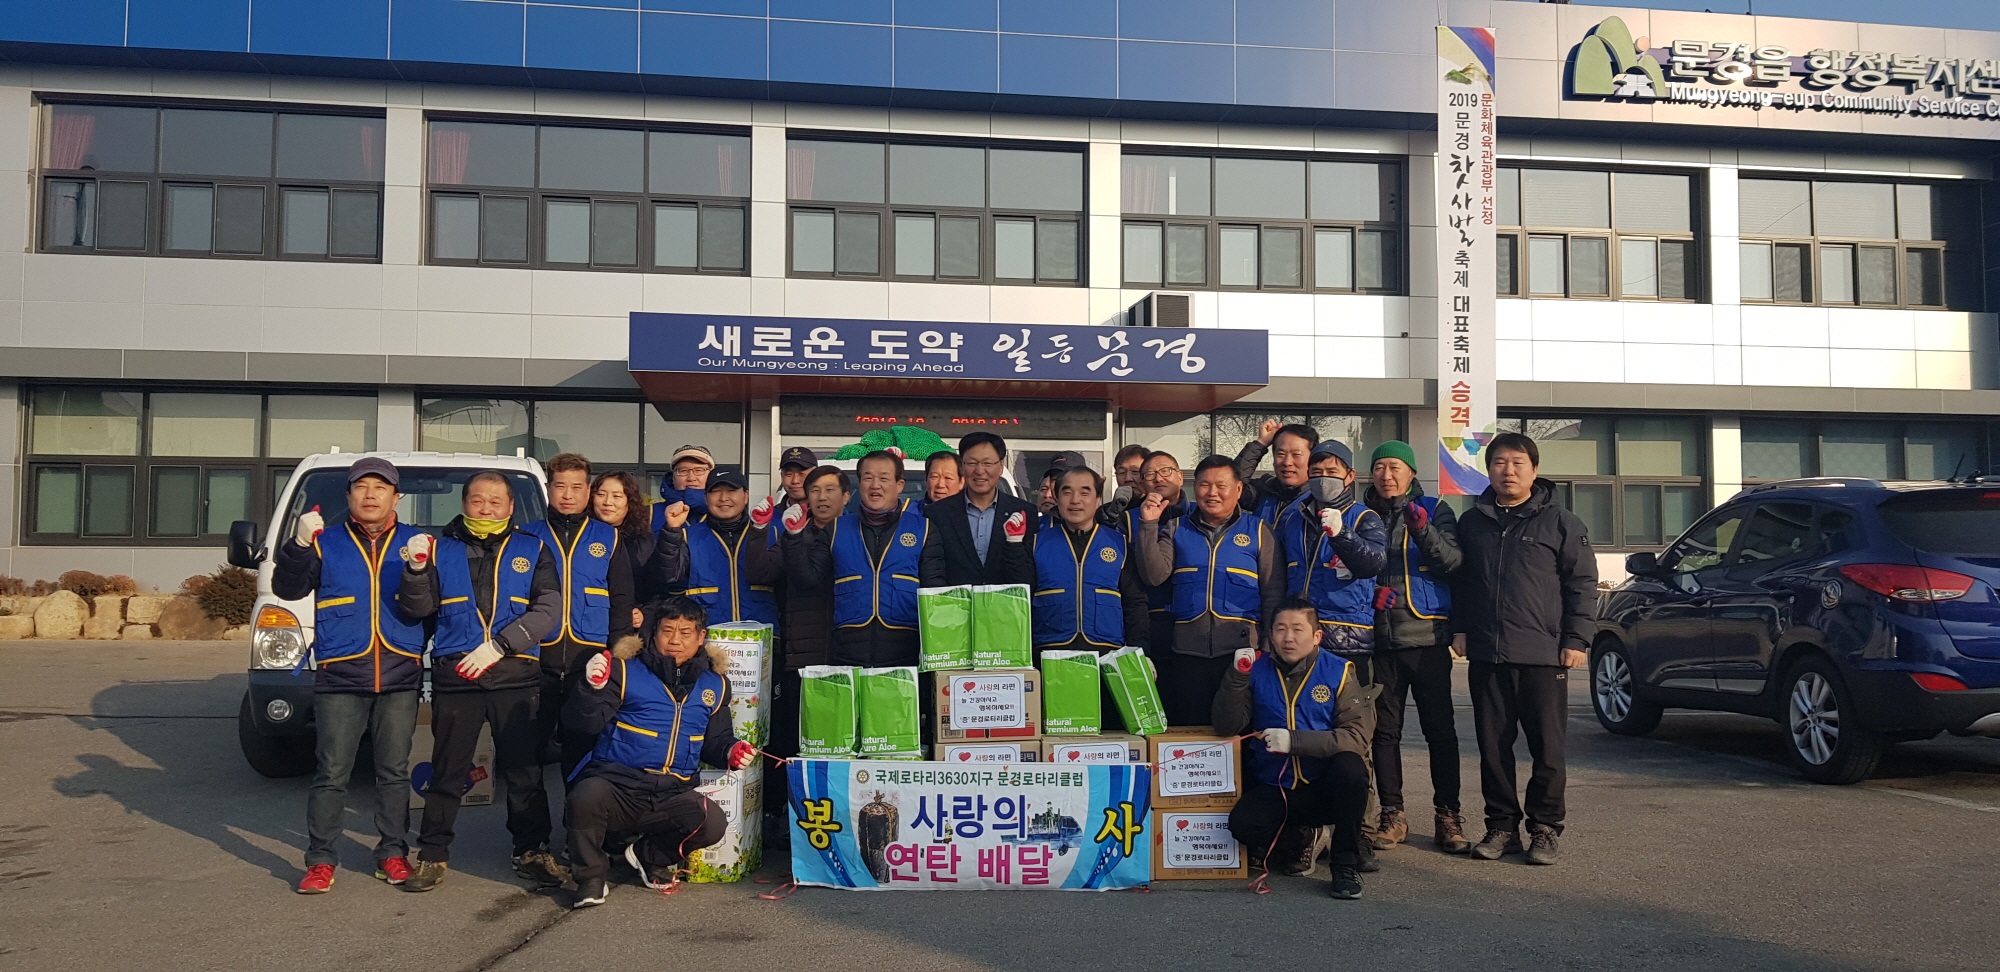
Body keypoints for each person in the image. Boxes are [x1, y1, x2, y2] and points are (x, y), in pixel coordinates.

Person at [395, 470, 568, 892]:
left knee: (525, 772)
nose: (486, 508)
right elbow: (418, 609)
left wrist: (502, 645)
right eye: (477, 500)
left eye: (495, 501)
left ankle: (532, 851)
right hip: (458, 675)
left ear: (510, 506)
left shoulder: (533, 548)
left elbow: (549, 609)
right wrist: (415, 571)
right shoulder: (439, 549)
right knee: (447, 770)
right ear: (464, 503)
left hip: (515, 674)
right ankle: (432, 854)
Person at [273, 457, 425, 895]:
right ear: (349, 496)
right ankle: (320, 860)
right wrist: (298, 545)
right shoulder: (326, 541)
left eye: (381, 487)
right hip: (340, 673)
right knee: (332, 772)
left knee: (394, 772)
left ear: (396, 497)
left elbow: (427, 606)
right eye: (362, 487)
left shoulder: (416, 542)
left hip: (399, 672)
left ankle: (392, 853)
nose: (370, 495)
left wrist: (419, 569)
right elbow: (288, 589)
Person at [1451, 432, 1598, 866]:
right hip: (1487, 653)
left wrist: (1576, 639)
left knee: (1547, 749)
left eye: (1517, 462)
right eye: (1499, 462)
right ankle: (1501, 827)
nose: (1508, 471)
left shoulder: (1561, 523)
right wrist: (1460, 629)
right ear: (1488, 469)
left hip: (1544, 654)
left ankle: (1545, 828)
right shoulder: (1471, 522)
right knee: (1493, 748)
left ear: (1534, 470)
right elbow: (1460, 583)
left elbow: (1581, 584)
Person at [561, 596, 757, 907]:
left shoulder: (716, 685)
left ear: (701, 637)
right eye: (667, 631)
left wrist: (731, 750)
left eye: (685, 632)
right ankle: (590, 878)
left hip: (672, 792)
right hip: (617, 785)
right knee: (585, 796)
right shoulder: (624, 671)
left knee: (712, 823)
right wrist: (590, 689)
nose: (675, 640)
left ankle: (647, 856)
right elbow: (582, 725)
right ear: (654, 633)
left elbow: (716, 740)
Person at [1213, 596, 1373, 900]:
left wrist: (1294, 741)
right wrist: (1236, 677)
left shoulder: (1339, 671)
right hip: (1277, 786)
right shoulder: (1256, 668)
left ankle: (1344, 865)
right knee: (1242, 826)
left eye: (1298, 630)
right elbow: (1225, 726)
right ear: (1270, 634)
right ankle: (1303, 838)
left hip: (1323, 786)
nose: (1288, 638)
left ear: (1316, 636)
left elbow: (1355, 737)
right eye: (1280, 629)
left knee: (1352, 769)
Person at [1275, 440, 1388, 865]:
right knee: (1300, 730)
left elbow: (1372, 562)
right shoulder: (1292, 518)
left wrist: (1341, 534)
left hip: (1347, 646)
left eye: (1333, 471)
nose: (1323, 477)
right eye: (1317, 470)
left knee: (1353, 743)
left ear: (1350, 477)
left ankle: (1358, 832)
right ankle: (1306, 829)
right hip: (1297, 643)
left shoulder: (1364, 517)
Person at [1361, 440, 1468, 854]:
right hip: (1379, 641)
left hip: (1427, 640)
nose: (1386, 475)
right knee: (1385, 733)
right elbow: (1346, 568)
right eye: (1380, 467)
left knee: (1440, 732)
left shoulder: (1436, 509)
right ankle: (1393, 814)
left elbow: (1453, 563)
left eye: (1395, 467)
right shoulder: (1361, 514)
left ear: (1411, 473)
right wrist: (1368, 594)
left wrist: (1422, 530)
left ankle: (1448, 816)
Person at [1132, 455, 1284, 727]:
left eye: (1221, 486)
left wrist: (1266, 646)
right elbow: (1154, 576)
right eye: (1204, 485)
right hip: (1187, 654)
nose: (1212, 493)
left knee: (1238, 730)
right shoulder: (1177, 528)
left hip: (1241, 654)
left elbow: (1273, 593)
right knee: (1193, 730)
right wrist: (1148, 524)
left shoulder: (1260, 531)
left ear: (1238, 489)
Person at [525, 454, 635, 780]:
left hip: (588, 663)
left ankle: (577, 812)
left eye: (576, 487)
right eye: (560, 486)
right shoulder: (527, 536)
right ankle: (531, 817)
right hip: (537, 661)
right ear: (548, 489)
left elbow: (622, 601)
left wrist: (617, 658)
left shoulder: (608, 537)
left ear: (588, 491)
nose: (568, 495)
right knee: (528, 755)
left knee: (582, 751)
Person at [786, 451, 928, 667]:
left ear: (899, 485)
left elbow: (934, 589)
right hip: (847, 653)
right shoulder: (836, 529)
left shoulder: (923, 529)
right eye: (868, 478)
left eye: (883, 478)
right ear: (859, 484)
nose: (875, 485)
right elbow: (808, 580)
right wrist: (793, 537)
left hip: (906, 653)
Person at [769, 465, 848, 810]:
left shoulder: (855, 532)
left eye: (830, 490)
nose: (822, 497)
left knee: (839, 739)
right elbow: (801, 578)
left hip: (847, 651)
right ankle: (795, 816)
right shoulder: (795, 532)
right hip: (802, 651)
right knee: (798, 738)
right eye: (815, 490)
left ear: (846, 496)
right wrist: (789, 536)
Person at [1031, 466, 1149, 657]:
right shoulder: (1036, 543)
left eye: (1084, 493)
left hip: (1107, 653)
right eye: (1067, 492)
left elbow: (1135, 604)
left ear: (1098, 500)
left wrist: (1140, 652)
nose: (1075, 500)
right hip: (1050, 651)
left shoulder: (1119, 543)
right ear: (1057, 499)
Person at [650, 469, 784, 630]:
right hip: (706, 637)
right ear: (705, 498)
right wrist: (671, 531)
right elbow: (667, 577)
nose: (723, 498)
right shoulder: (687, 535)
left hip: (761, 637)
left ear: (746, 496)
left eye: (731, 491)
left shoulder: (771, 534)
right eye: (715, 491)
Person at [920, 431, 1036, 588]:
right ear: (962, 466)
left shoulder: (1023, 512)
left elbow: (1028, 576)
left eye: (987, 463)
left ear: (1001, 467)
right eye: (972, 463)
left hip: (1005, 603)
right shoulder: (936, 513)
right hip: (954, 602)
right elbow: (932, 570)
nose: (980, 471)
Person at [1235, 420, 1320, 524]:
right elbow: (1232, 487)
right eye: (1281, 454)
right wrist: (1261, 443)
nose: (1287, 462)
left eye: (1296, 455)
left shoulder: (1319, 500)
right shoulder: (1264, 490)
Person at [650, 444, 714, 532]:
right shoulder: (649, 514)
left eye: (699, 470)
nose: (691, 478)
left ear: (711, 475)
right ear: (673, 477)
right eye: (683, 471)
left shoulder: (726, 511)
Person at [775, 446, 817, 520]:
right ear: (782, 477)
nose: (795, 481)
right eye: (789, 474)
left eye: (802, 474)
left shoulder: (830, 516)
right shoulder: (769, 517)